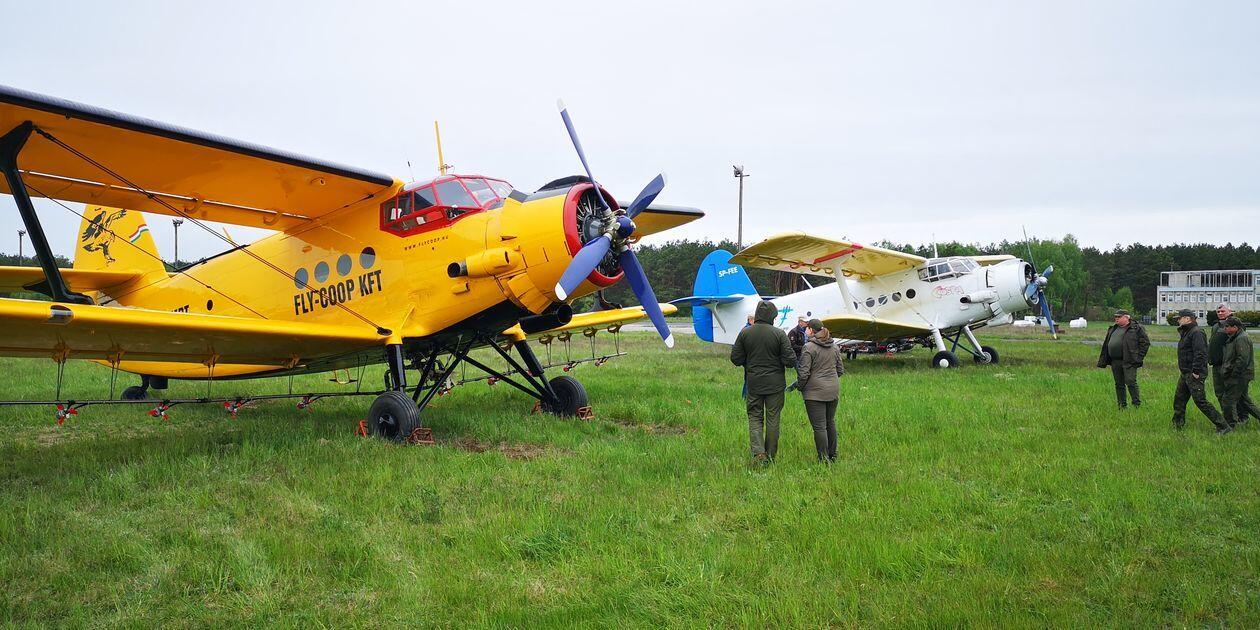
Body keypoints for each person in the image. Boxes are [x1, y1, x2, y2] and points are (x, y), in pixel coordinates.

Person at [731, 300, 797, 463]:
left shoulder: (745, 333)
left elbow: (735, 358)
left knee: (754, 416)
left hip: (754, 383)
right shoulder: (779, 334)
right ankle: (770, 455)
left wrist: (749, 362)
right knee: (773, 418)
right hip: (775, 385)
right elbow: (790, 360)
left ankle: (758, 452)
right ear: (772, 316)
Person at [1172, 309, 1230, 433]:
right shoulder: (1186, 332)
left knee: (1200, 401)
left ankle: (1223, 426)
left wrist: (1196, 371)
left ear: (1187, 319)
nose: (1178, 320)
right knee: (1179, 400)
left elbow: (1201, 353)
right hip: (1185, 373)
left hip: (1194, 373)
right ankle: (1177, 426)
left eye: (1179, 318)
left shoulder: (1197, 332)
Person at [796, 318, 845, 462]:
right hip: (833, 390)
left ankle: (823, 459)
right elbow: (840, 370)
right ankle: (833, 454)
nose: (805, 330)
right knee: (830, 422)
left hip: (814, 393)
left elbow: (804, 373)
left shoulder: (809, 347)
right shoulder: (834, 346)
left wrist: (800, 386)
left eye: (807, 328)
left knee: (819, 427)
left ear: (811, 330)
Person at [1096, 309, 1150, 409]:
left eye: (1119, 317)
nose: (1116, 319)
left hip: (1129, 360)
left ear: (1126, 317)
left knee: (1130, 382)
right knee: (1119, 384)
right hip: (1115, 361)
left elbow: (1145, 343)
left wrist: (1138, 358)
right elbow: (1106, 344)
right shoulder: (1113, 328)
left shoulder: (1136, 328)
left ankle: (1136, 404)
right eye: (1115, 317)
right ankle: (1122, 405)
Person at [1218, 316, 1260, 428]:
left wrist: (1234, 374)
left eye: (1227, 326)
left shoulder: (1242, 338)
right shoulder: (1234, 337)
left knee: (1228, 400)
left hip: (1240, 375)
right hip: (1239, 375)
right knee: (1244, 401)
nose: (1225, 328)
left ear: (1235, 327)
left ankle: (1230, 425)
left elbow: (1242, 359)